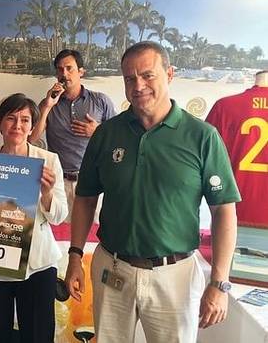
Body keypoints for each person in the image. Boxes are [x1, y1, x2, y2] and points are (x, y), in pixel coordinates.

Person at [64, 41, 241, 342]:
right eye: (130, 79)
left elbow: (223, 209)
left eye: (148, 75)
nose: (138, 85)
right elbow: (85, 197)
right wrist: (75, 256)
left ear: (169, 74)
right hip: (112, 267)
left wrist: (220, 282)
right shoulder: (107, 134)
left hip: (175, 275)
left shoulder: (202, 136)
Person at [0, 93, 68, 342]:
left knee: (38, 334)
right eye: (11, 118)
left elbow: (59, 216)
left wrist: (47, 193)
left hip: (37, 264)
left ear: (32, 126)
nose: (18, 126)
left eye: (25, 120)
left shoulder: (48, 161)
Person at [29, 49, 115, 223]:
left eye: (69, 68)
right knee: (59, 235)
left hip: (92, 181)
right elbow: (32, 139)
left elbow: (118, 139)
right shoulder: (48, 104)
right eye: (60, 70)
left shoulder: (100, 101)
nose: (64, 74)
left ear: (81, 72)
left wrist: (97, 131)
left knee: (91, 234)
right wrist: (47, 106)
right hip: (58, 182)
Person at [205, 70, 268, 227]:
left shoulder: (224, 106)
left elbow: (201, 163)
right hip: (229, 217)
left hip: (233, 214)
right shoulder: (223, 107)